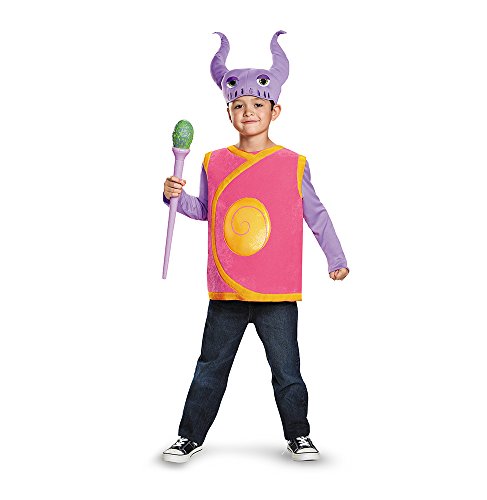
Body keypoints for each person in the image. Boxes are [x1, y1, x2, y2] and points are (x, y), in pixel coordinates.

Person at [161, 31, 349, 464]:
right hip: (226, 288)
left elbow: (316, 214)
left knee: (287, 371)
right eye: (239, 106)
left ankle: (298, 435)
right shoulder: (213, 160)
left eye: (258, 105)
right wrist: (174, 196)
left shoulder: (293, 163)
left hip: (277, 291)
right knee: (210, 368)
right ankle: (189, 436)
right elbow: (204, 209)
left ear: (274, 110)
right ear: (228, 112)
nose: (248, 112)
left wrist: (335, 258)